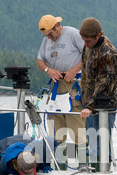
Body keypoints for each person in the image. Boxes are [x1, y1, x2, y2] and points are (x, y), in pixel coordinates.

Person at [37, 15, 86, 166]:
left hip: (74, 84)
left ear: (57, 26)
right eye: (46, 36)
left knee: (77, 127)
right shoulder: (47, 40)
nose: (49, 38)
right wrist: (48, 70)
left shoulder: (72, 34)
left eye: (51, 34)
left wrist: (73, 70)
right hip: (56, 87)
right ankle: (59, 165)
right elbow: (40, 60)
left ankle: (84, 165)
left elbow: (89, 54)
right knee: (56, 129)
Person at [79, 17, 117, 165]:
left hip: (106, 102)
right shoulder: (88, 46)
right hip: (89, 101)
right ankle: (91, 162)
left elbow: (104, 82)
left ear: (98, 36)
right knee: (91, 136)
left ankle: (104, 165)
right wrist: (84, 96)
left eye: (88, 41)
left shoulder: (108, 52)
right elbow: (85, 71)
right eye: (83, 40)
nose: (85, 44)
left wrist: (90, 107)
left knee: (103, 137)